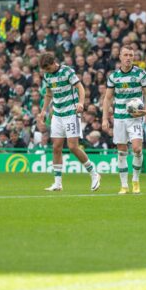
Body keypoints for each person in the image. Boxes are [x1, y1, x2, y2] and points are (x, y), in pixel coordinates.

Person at [37, 52, 101, 192]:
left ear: (54, 63)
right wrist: (43, 111)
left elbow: (80, 88)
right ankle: (58, 183)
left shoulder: (67, 71)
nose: (46, 71)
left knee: (72, 147)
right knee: (56, 147)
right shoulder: (47, 75)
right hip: (57, 114)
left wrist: (81, 103)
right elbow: (48, 94)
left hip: (71, 113)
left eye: (48, 68)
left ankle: (94, 173)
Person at [102, 47, 146, 194]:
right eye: (126, 55)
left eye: (131, 55)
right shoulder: (114, 76)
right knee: (122, 152)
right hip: (119, 118)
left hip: (135, 117)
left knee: (137, 149)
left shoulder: (140, 73)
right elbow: (107, 98)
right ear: (120, 57)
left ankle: (135, 180)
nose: (128, 57)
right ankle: (124, 185)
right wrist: (105, 118)